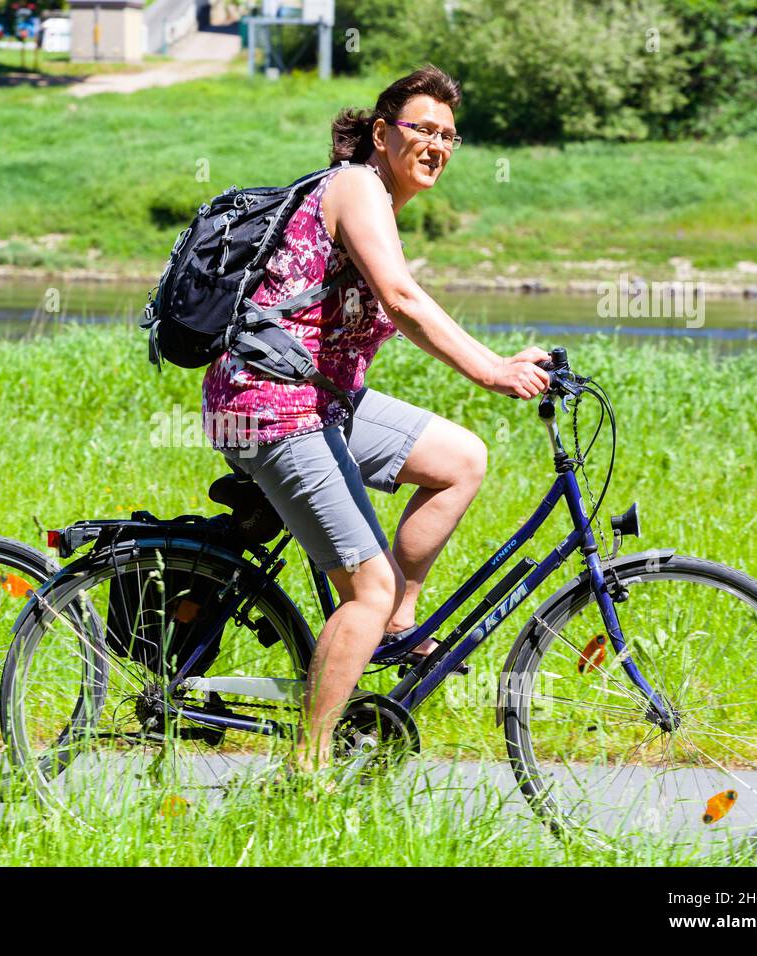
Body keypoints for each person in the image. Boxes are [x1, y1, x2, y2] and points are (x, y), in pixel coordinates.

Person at [202, 66, 551, 774]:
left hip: (321, 403)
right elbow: (400, 298)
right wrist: (491, 369)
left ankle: (397, 622)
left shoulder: (381, 199)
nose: (438, 145)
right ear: (383, 134)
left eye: (450, 136)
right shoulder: (358, 185)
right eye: (424, 129)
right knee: (367, 585)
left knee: (460, 459)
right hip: (268, 405)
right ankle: (310, 764)